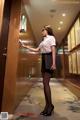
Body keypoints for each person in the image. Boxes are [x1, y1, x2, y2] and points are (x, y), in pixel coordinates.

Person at [20, 25, 56, 116]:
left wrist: (54, 63)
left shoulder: (51, 38)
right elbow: (36, 49)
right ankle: (48, 105)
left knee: (45, 82)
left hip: (49, 59)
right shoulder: (43, 41)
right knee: (44, 83)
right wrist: (25, 46)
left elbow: (53, 50)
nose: (41, 32)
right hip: (44, 59)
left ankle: (49, 106)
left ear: (47, 31)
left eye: (43, 30)